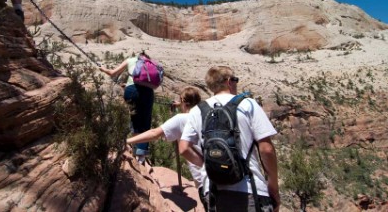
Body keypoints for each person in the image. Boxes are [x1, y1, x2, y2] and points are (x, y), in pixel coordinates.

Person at [179, 66, 280, 212]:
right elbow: (266, 149)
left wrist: (207, 164)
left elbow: (183, 148)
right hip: (249, 188)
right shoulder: (248, 104)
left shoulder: (198, 110)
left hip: (213, 190)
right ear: (228, 82)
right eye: (235, 80)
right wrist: (273, 185)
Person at [126, 86, 211, 211]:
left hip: (205, 180)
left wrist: (128, 141)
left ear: (182, 100)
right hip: (222, 172)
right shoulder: (208, 114)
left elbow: (155, 133)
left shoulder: (181, 119)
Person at [99, 52, 154, 164]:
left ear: (138, 56)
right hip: (148, 92)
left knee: (134, 120)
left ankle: (133, 149)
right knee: (145, 122)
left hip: (131, 91)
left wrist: (103, 69)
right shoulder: (151, 63)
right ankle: (141, 155)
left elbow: (112, 73)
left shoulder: (130, 60)